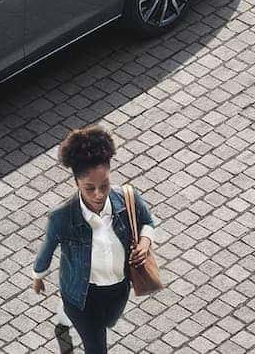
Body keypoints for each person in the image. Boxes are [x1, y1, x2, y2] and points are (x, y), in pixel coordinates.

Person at [30, 125, 157, 354]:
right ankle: (68, 310)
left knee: (109, 322)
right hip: (80, 296)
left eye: (104, 185)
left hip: (118, 288)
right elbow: (47, 250)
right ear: (77, 183)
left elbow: (147, 222)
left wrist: (145, 243)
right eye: (90, 188)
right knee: (97, 347)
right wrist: (38, 277)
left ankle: (64, 313)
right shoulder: (62, 217)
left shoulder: (127, 198)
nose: (98, 194)